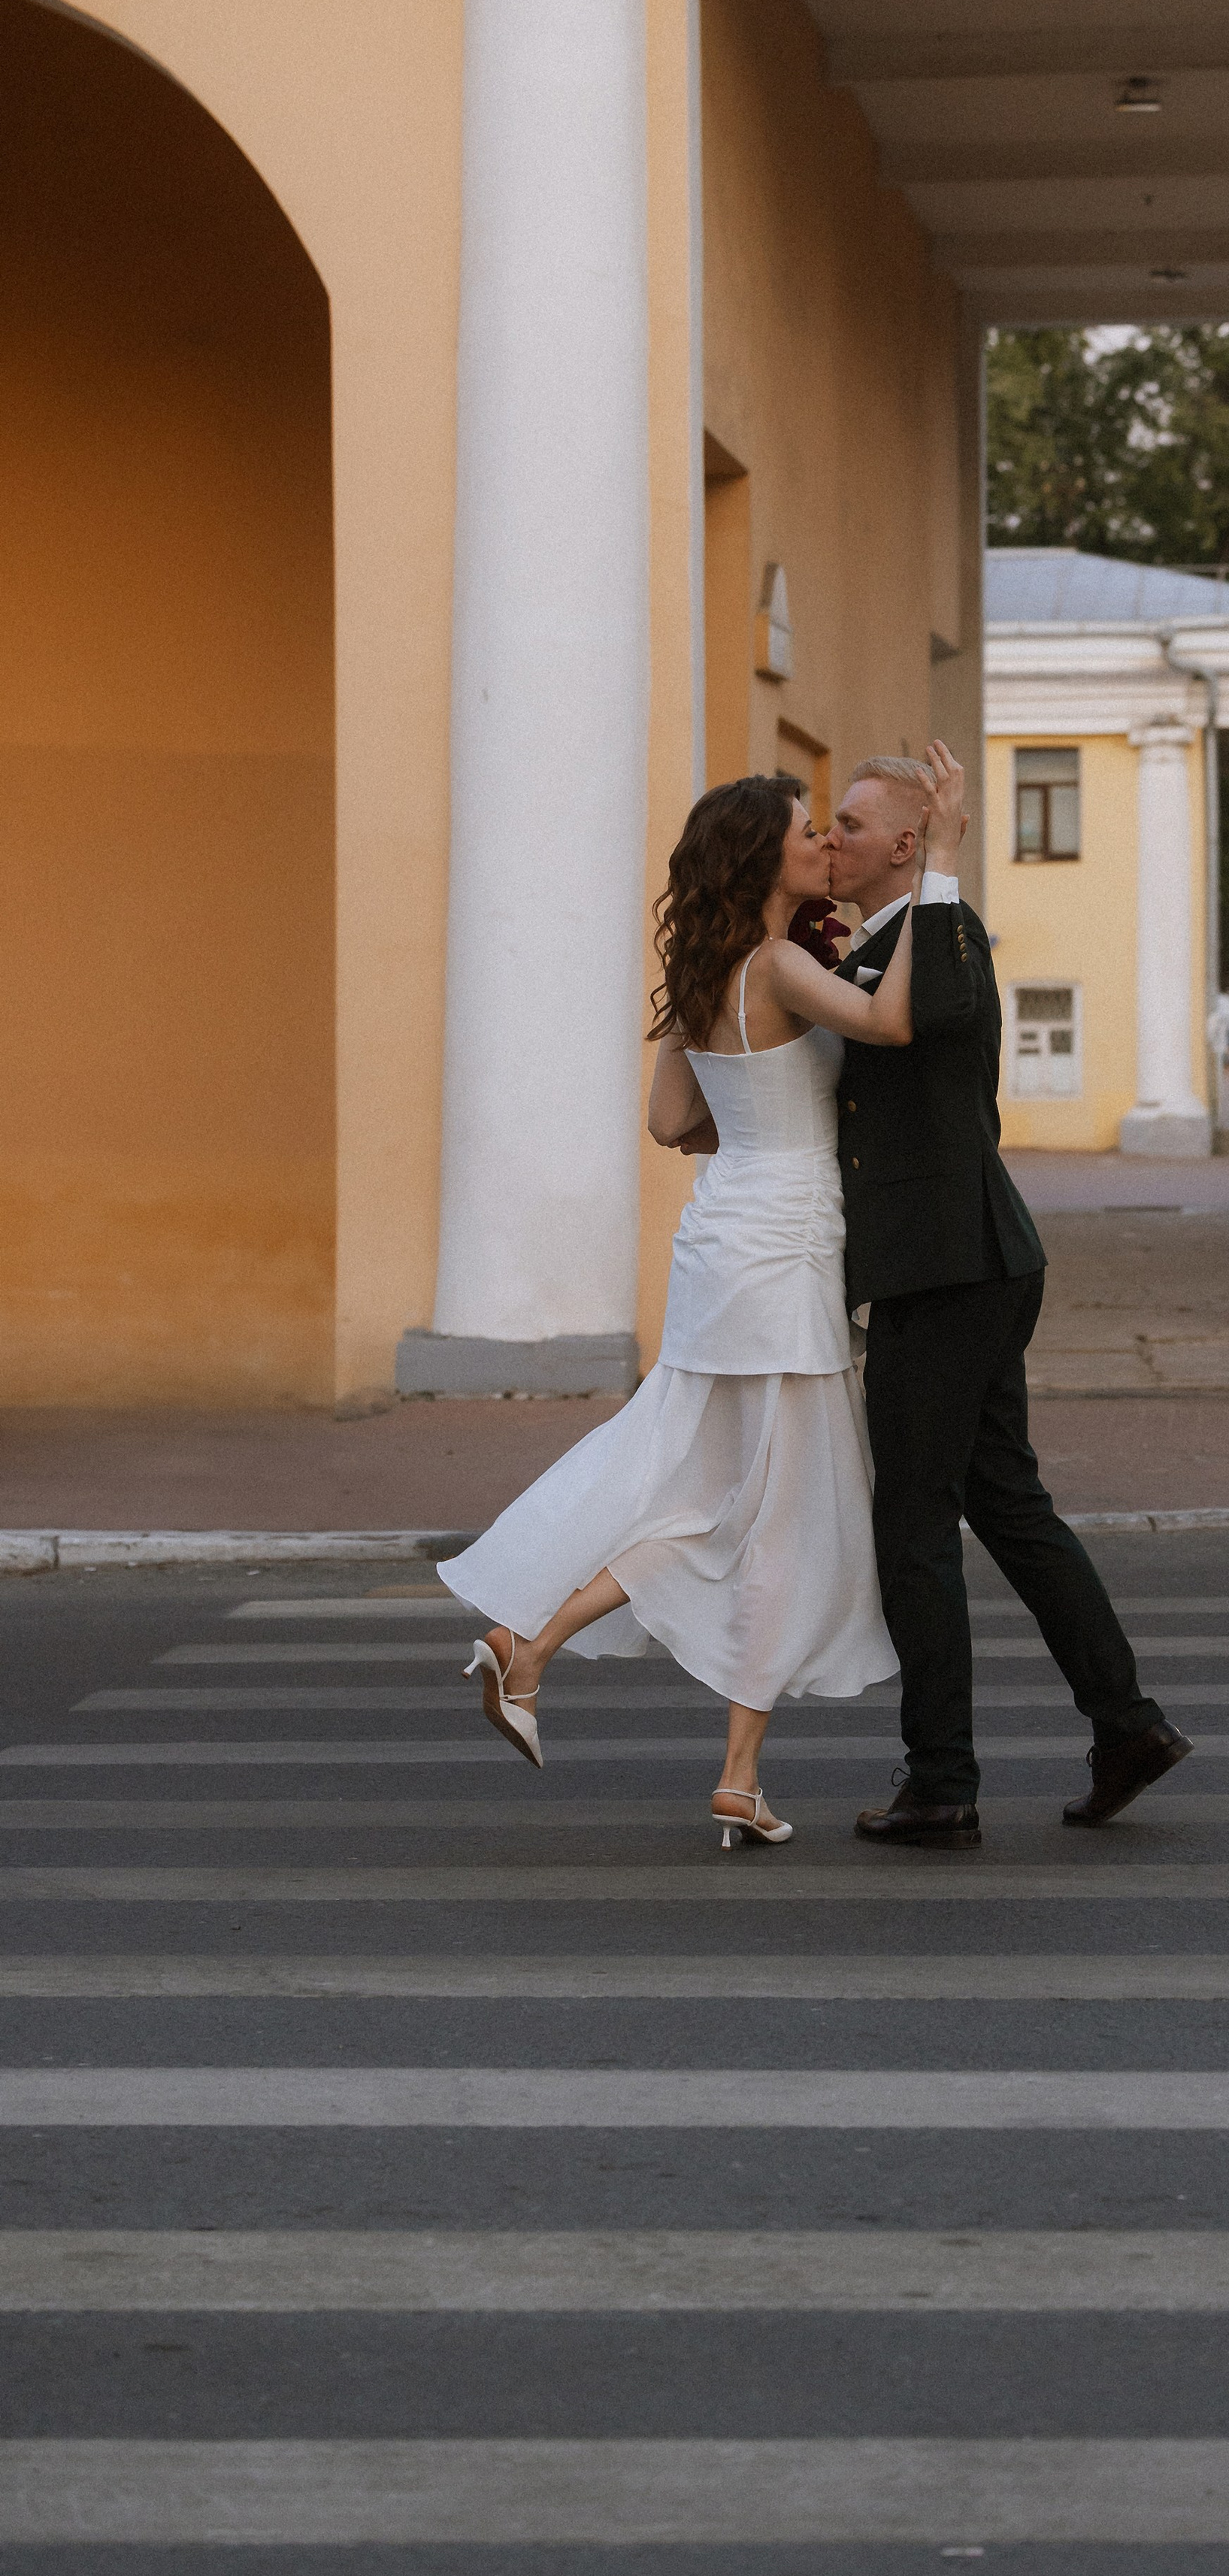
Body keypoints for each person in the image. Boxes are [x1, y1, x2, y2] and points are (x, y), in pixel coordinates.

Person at [443, 756, 966, 1844]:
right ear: (763, 856)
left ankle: (728, 1769)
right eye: (806, 831)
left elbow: (673, 1122)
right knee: (770, 1517)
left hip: (726, 1241)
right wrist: (944, 866)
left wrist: (769, 1121)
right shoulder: (775, 962)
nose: (823, 842)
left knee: (732, 1503)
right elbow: (893, 1025)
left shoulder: (710, 972)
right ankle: (531, 1648)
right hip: (782, 1256)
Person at [828, 747, 1193, 1846]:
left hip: (950, 1270)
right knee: (1009, 1508)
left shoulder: (943, 934)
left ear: (903, 842)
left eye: (850, 823)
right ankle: (1126, 1725)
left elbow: (931, 1017)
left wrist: (947, 859)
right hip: (960, 1263)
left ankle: (941, 1781)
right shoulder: (874, 947)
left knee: (913, 1529)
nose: (831, 836)